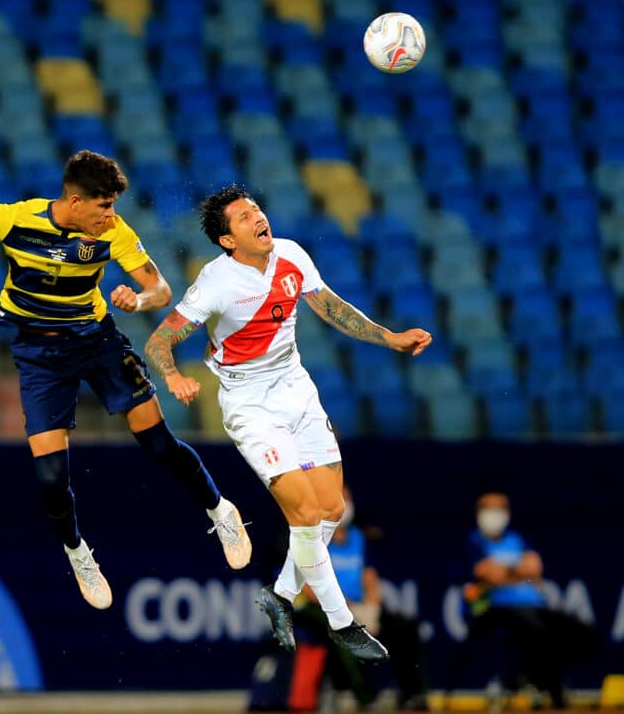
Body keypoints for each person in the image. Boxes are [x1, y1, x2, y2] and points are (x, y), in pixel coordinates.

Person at [0, 150, 251, 610]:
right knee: (51, 477)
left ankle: (221, 510)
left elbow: (159, 288)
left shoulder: (115, 233)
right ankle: (78, 553)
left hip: (97, 342)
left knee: (158, 443)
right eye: (104, 207)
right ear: (75, 202)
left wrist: (138, 301)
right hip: (40, 354)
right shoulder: (15, 219)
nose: (111, 216)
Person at [142, 184, 432, 662]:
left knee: (331, 509)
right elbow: (158, 342)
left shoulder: (292, 254)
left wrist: (390, 338)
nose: (258, 217)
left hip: (297, 389)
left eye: (257, 208)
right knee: (304, 515)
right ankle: (345, 624)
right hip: (249, 404)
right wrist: (172, 376)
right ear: (227, 240)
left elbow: (332, 307)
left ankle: (278, 594)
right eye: (243, 216)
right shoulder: (217, 282)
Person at [454, 491, 593, 709]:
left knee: (580, 632)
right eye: (488, 509)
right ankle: (553, 693)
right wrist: (518, 571)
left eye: (499, 509)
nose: (494, 515)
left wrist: (505, 572)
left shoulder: (517, 539)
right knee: (538, 632)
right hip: (496, 609)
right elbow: (489, 573)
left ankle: (532, 678)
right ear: (478, 513)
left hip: (534, 606)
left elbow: (535, 568)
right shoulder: (473, 541)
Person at [294, 486, 428, 710]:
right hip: (325, 608)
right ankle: (361, 694)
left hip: (359, 607)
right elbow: (308, 587)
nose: (342, 505)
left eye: (346, 498)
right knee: (344, 633)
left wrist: (372, 608)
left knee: (404, 628)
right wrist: (343, 607)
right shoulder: (311, 538)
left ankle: (412, 694)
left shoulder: (358, 537)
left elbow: (369, 577)